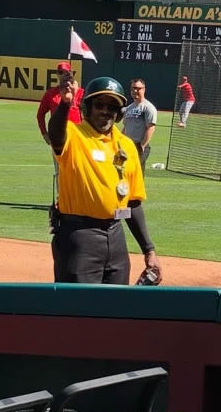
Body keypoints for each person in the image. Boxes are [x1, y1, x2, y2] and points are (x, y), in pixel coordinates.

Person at [46, 75, 160, 286]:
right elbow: (55, 134)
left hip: (116, 237)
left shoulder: (126, 146)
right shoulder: (74, 135)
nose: (105, 111)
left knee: (115, 310)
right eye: (99, 104)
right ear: (87, 107)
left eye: (112, 107)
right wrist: (64, 103)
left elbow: (132, 203)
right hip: (79, 236)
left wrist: (149, 250)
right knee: (77, 310)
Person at [36, 62, 81, 142]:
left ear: (71, 73)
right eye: (60, 72)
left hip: (78, 136)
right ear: (57, 74)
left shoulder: (80, 93)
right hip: (58, 137)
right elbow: (40, 114)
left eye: (66, 72)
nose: (63, 75)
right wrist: (44, 134)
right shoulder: (50, 94)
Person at [121, 78, 157, 165]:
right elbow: (125, 127)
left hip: (139, 146)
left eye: (138, 88)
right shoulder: (129, 108)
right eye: (133, 88)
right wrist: (120, 141)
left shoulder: (148, 107)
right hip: (127, 145)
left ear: (144, 89)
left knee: (137, 173)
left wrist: (142, 146)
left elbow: (151, 128)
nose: (135, 90)